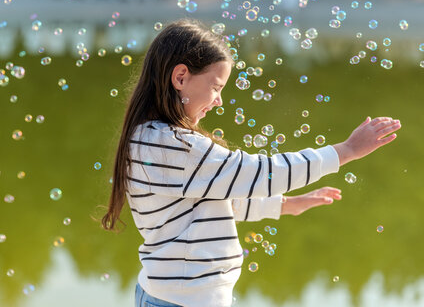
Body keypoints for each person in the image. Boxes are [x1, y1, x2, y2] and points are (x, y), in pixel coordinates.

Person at [101, 19, 402, 307]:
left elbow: (206, 204)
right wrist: (346, 150)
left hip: (173, 295)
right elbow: (259, 173)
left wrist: (283, 205)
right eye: (216, 86)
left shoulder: (152, 138)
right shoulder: (172, 146)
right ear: (180, 78)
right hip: (182, 300)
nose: (219, 100)